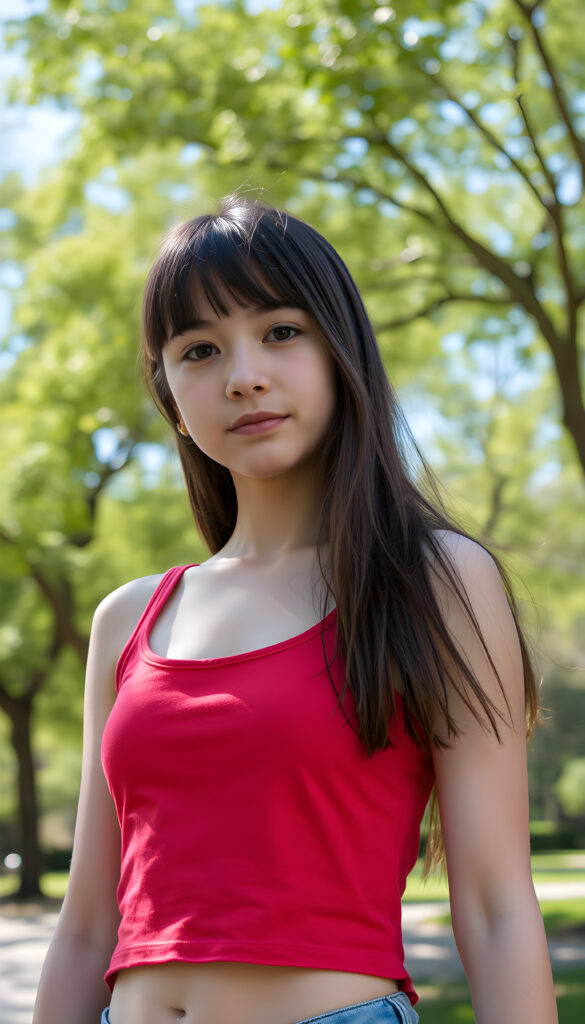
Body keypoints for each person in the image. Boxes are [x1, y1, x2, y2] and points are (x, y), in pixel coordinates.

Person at [33, 194, 558, 1024]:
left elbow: (495, 905)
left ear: (340, 347)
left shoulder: (434, 581)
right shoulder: (126, 619)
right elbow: (89, 924)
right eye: (199, 350)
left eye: (280, 330)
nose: (243, 375)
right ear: (169, 395)